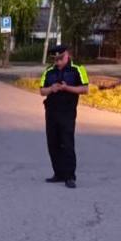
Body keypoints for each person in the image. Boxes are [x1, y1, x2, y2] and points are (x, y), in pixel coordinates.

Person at [40, 44, 89, 189]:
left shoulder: (78, 69)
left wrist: (67, 88)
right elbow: (42, 91)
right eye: (55, 60)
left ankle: (69, 176)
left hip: (67, 112)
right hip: (51, 112)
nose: (58, 62)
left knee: (67, 143)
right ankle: (59, 173)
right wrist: (51, 89)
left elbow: (85, 89)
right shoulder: (48, 71)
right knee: (53, 144)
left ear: (67, 55)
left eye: (60, 59)